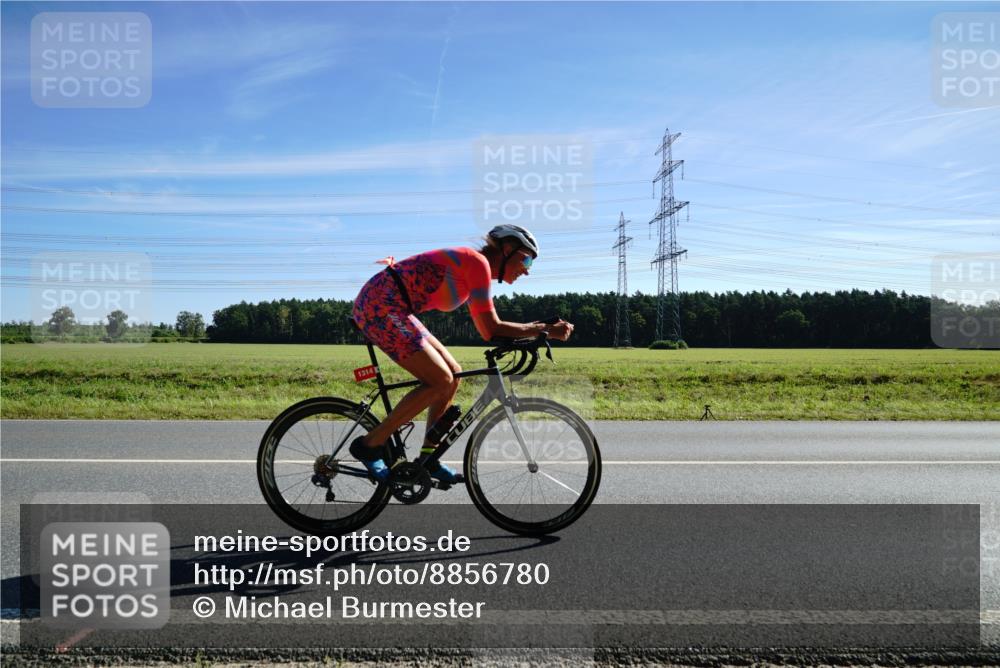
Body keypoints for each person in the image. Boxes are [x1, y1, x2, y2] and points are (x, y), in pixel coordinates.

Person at [349, 224, 574, 483]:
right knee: (439, 380)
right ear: (507, 249)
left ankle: (428, 459)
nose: (527, 269)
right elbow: (491, 329)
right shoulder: (476, 263)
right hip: (380, 305)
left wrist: (538, 330)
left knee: (453, 375)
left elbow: (488, 328)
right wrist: (545, 329)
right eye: (526, 260)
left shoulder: (474, 270)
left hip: (395, 307)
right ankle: (369, 445)